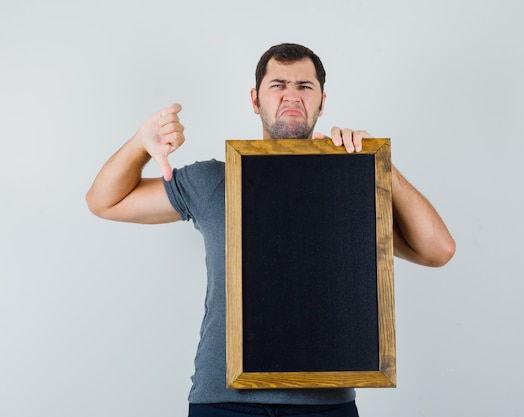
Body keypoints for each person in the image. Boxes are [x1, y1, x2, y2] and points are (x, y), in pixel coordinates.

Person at [86, 43, 455, 417]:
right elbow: (105, 201)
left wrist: (378, 162)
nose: (291, 96)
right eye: (278, 85)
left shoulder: (350, 183)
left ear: (322, 101)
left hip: (324, 402)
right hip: (224, 401)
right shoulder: (215, 179)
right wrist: (140, 144)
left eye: (304, 86)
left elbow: (438, 250)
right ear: (255, 99)